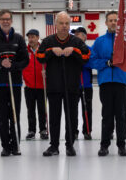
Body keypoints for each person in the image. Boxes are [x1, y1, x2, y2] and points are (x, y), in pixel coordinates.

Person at [37, 10, 90, 156]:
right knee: (54, 118)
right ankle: (54, 146)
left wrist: (74, 51)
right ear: (56, 24)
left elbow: (86, 56)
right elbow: (39, 56)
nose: (64, 26)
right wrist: (50, 51)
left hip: (72, 87)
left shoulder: (76, 42)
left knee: (71, 118)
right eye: (61, 23)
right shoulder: (48, 41)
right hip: (53, 86)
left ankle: (69, 145)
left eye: (67, 23)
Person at [88, 10, 126, 156]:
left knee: (120, 114)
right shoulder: (99, 41)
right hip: (106, 82)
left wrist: (121, 63)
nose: (114, 22)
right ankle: (104, 145)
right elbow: (92, 61)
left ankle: (121, 145)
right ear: (106, 23)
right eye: (111, 20)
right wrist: (107, 63)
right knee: (107, 115)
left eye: (116, 20)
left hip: (121, 82)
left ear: (120, 23)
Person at [0, 9, 30, 156]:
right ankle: (5, 146)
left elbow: (26, 60)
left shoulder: (18, 39)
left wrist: (14, 65)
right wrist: (1, 62)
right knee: (3, 116)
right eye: (3, 19)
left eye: (8, 19)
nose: (5, 21)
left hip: (15, 83)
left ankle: (16, 144)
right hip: (0, 84)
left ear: (11, 21)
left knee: (14, 115)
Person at [23, 29, 47, 139]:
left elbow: (49, 64)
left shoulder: (43, 50)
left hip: (42, 86)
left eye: (33, 37)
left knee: (42, 109)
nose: (31, 39)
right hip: (29, 86)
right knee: (30, 110)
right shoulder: (24, 51)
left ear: (38, 38)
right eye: (29, 37)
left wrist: (46, 73)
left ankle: (43, 129)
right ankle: (31, 130)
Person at [74, 26, 94, 139]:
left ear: (84, 37)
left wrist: (82, 62)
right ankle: (74, 131)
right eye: (75, 34)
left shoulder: (89, 49)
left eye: (78, 34)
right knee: (73, 110)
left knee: (87, 109)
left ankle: (87, 130)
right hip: (74, 84)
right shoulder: (72, 49)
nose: (76, 36)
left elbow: (91, 63)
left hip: (86, 84)